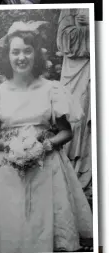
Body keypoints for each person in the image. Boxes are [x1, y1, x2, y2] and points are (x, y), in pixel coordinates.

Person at [0, 21, 93, 253]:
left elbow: (66, 132)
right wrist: (10, 146)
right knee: (12, 222)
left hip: (47, 167)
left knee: (42, 221)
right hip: (7, 169)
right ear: (7, 56)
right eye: (15, 52)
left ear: (36, 55)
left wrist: (42, 146)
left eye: (27, 51)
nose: (21, 57)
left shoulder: (51, 89)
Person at [57, 9, 91, 201]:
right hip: (76, 69)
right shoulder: (69, 8)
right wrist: (85, 28)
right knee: (76, 117)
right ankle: (72, 174)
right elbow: (63, 39)